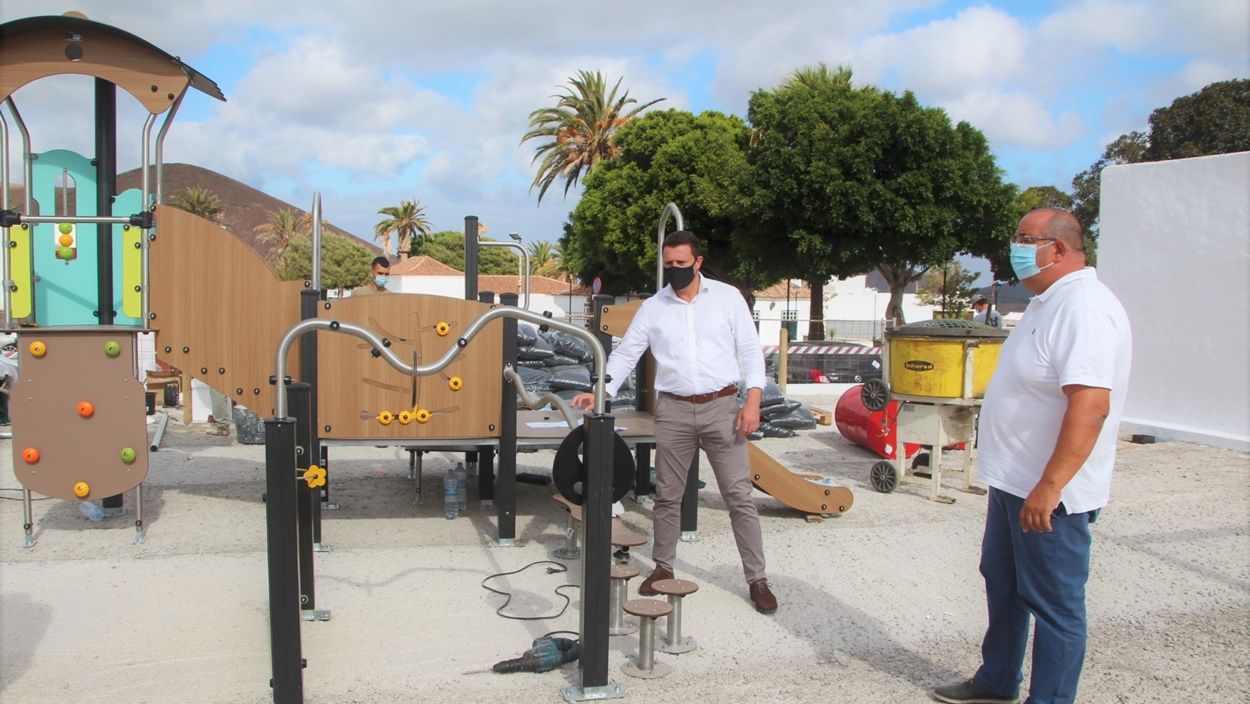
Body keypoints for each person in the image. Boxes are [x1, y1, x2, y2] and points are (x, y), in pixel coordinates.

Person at [930, 209, 1132, 704]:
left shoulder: (1083, 307)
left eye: (1026, 239)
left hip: (1049, 495)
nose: (1016, 249)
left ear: (1059, 249)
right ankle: (997, 681)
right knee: (1003, 585)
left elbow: (1090, 405)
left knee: (1055, 607)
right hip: (1011, 482)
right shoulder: (1047, 302)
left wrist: (1050, 485)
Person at [570, 230, 777, 614]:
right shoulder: (654, 306)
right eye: (669, 265)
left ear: (698, 261)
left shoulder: (728, 299)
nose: (675, 270)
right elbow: (627, 352)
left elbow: (750, 351)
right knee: (667, 494)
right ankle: (663, 566)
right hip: (674, 410)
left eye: (682, 264)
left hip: (722, 408)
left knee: (738, 496)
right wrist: (601, 391)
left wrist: (753, 401)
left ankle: (757, 578)